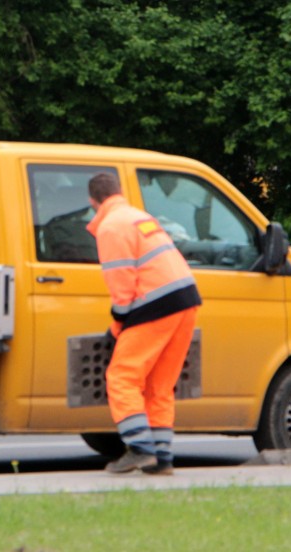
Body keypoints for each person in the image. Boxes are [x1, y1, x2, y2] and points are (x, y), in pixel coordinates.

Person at [86, 172, 202, 475]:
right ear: (119, 192)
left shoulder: (110, 226)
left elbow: (121, 280)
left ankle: (139, 449)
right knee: (159, 385)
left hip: (155, 304)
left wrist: (119, 322)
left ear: (93, 201)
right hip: (186, 299)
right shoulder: (139, 216)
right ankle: (162, 458)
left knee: (122, 378)